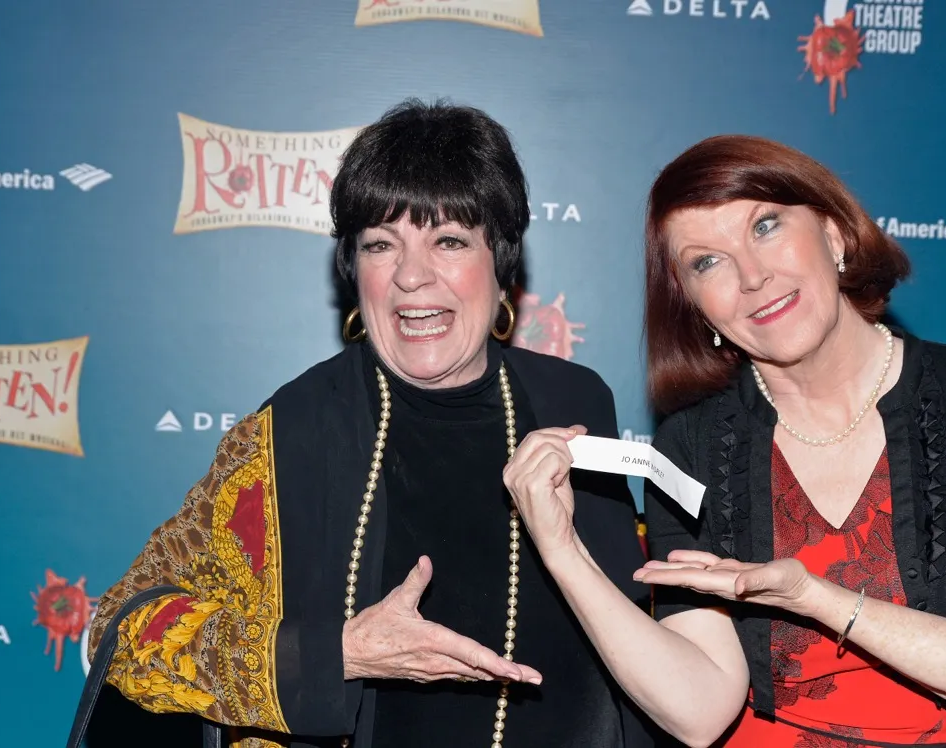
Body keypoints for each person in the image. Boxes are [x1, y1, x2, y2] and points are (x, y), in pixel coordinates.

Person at [85, 99, 657, 748]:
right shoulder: (291, 434)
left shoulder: (575, 402)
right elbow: (124, 635)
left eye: (448, 241)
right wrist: (339, 654)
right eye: (381, 245)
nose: (411, 276)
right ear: (353, 270)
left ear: (501, 264)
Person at [502, 135, 946, 747]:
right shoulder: (692, 442)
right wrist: (563, 550)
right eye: (707, 262)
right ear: (694, 305)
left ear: (834, 234)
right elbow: (698, 714)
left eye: (766, 226)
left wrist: (813, 597)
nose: (752, 276)